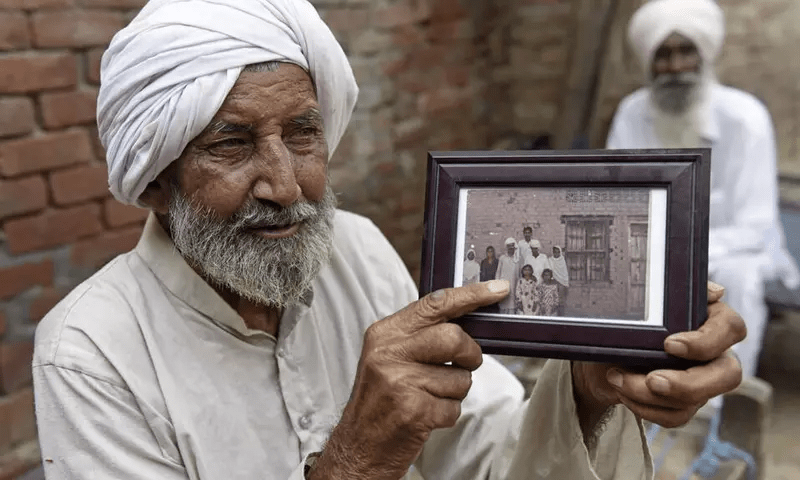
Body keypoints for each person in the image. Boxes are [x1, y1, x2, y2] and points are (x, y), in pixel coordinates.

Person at [32, 1, 745, 479]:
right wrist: (357, 460)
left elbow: (486, 446)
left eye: (304, 134)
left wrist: (590, 388)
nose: (285, 184)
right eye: (231, 144)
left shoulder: (356, 248)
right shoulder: (90, 354)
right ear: (156, 178)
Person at [607, 0, 799, 379]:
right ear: (648, 61)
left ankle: (723, 390)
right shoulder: (632, 112)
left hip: (735, 250)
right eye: (663, 55)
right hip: (651, 244)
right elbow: (620, 199)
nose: (676, 67)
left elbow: (755, 227)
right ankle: (637, 373)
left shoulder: (745, 119)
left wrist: (683, 253)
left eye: (685, 52)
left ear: (704, 55)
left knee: (736, 278)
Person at [494, 238, 521, 315]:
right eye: (509, 247)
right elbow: (498, 272)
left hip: (514, 285)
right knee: (503, 306)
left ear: (514, 248)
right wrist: (497, 284)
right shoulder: (502, 258)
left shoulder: (518, 259)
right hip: (503, 285)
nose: (510, 249)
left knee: (512, 307)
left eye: (512, 247)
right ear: (506, 248)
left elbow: (519, 274)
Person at [551, 245, 570, 315]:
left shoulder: (562, 261)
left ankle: (561, 316)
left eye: (557, 252)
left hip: (562, 284)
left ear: (560, 253)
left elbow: (564, 274)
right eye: (554, 252)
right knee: (553, 301)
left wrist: (565, 283)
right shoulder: (550, 260)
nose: (556, 254)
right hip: (553, 283)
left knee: (561, 302)